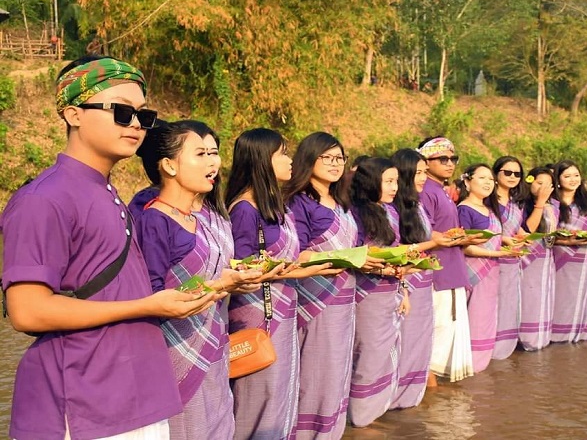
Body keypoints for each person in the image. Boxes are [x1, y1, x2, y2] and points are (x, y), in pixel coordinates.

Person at [1, 55, 224, 439]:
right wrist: (147, 306)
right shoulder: (44, 198)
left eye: (143, 114)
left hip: (138, 395)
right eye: (121, 112)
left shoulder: (108, 193)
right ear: (73, 114)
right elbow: (27, 311)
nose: (136, 124)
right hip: (84, 404)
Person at [135, 120, 267, 439]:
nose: (213, 162)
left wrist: (238, 277)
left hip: (214, 341)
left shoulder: (199, 219)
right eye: (201, 153)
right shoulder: (154, 219)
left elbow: (211, 274)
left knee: (219, 424)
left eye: (214, 152)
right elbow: (154, 298)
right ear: (168, 165)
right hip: (175, 348)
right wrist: (224, 284)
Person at [224, 128, 339, 439]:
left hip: (282, 309)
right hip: (257, 314)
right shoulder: (244, 210)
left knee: (281, 390)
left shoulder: (275, 205)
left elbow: (284, 256)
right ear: (262, 160)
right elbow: (243, 270)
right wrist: (297, 272)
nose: (290, 161)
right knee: (261, 392)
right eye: (282, 154)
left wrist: (309, 261)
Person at [285, 132, 382, 439]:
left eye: (339, 158)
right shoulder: (298, 202)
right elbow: (297, 254)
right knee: (315, 374)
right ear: (308, 159)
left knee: (337, 372)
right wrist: (350, 259)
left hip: (344, 300)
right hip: (315, 300)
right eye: (326, 157)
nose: (334, 164)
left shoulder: (342, 202)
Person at [417, 136, 485, 383]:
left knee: (446, 331)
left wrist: (463, 238)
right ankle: (429, 392)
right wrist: (452, 239)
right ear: (426, 161)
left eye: (453, 158)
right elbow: (423, 232)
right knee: (437, 333)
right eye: (442, 159)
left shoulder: (441, 190)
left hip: (452, 267)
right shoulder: (426, 191)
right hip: (438, 272)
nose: (449, 163)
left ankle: (434, 396)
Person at [348, 157, 410, 427]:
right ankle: (360, 417)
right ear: (371, 181)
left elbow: (396, 256)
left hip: (390, 291)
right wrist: (384, 268)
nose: (394, 187)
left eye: (395, 181)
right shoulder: (355, 213)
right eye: (388, 181)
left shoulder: (391, 212)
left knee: (386, 352)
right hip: (367, 294)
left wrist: (404, 289)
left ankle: (376, 412)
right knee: (367, 353)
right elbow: (356, 255)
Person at [388, 148, 446, 407]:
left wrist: (436, 241)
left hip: (423, 280)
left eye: (424, 172)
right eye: (418, 173)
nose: (423, 178)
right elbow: (397, 251)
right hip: (407, 282)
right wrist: (404, 290)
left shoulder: (417, 203)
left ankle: (413, 397)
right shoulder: (395, 207)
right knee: (406, 341)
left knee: (421, 341)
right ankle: (396, 399)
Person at [457, 164, 515, 372]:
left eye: (490, 179)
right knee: (475, 317)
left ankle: (481, 363)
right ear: (467, 181)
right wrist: (497, 254)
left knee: (487, 316)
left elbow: (494, 236)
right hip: (475, 272)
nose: (488, 183)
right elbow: (465, 246)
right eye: (482, 178)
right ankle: (469, 364)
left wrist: (509, 241)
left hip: (491, 272)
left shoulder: (489, 209)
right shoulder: (464, 209)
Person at [551, 160, 587, 343]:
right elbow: (545, 232)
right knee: (562, 296)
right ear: (557, 179)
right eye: (567, 176)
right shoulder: (552, 203)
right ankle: (557, 335)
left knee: (580, 295)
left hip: (584, 256)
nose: (573, 179)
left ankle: (579, 334)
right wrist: (567, 240)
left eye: (576, 175)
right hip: (559, 257)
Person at [490, 156, 527, 358]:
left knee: (509, 303)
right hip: (492, 258)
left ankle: (504, 348)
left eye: (517, 174)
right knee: (492, 303)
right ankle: (488, 346)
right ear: (496, 174)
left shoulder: (515, 203)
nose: (513, 177)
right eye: (508, 172)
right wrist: (504, 239)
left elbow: (515, 227)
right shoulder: (488, 199)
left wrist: (523, 235)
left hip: (513, 259)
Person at [519, 167, 558, 351]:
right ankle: (526, 340)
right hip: (528, 259)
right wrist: (540, 202)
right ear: (529, 182)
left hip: (547, 258)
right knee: (529, 297)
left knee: (543, 297)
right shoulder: (521, 205)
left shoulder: (554, 206)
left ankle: (542, 339)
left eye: (548, 184)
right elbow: (527, 230)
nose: (543, 188)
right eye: (539, 183)